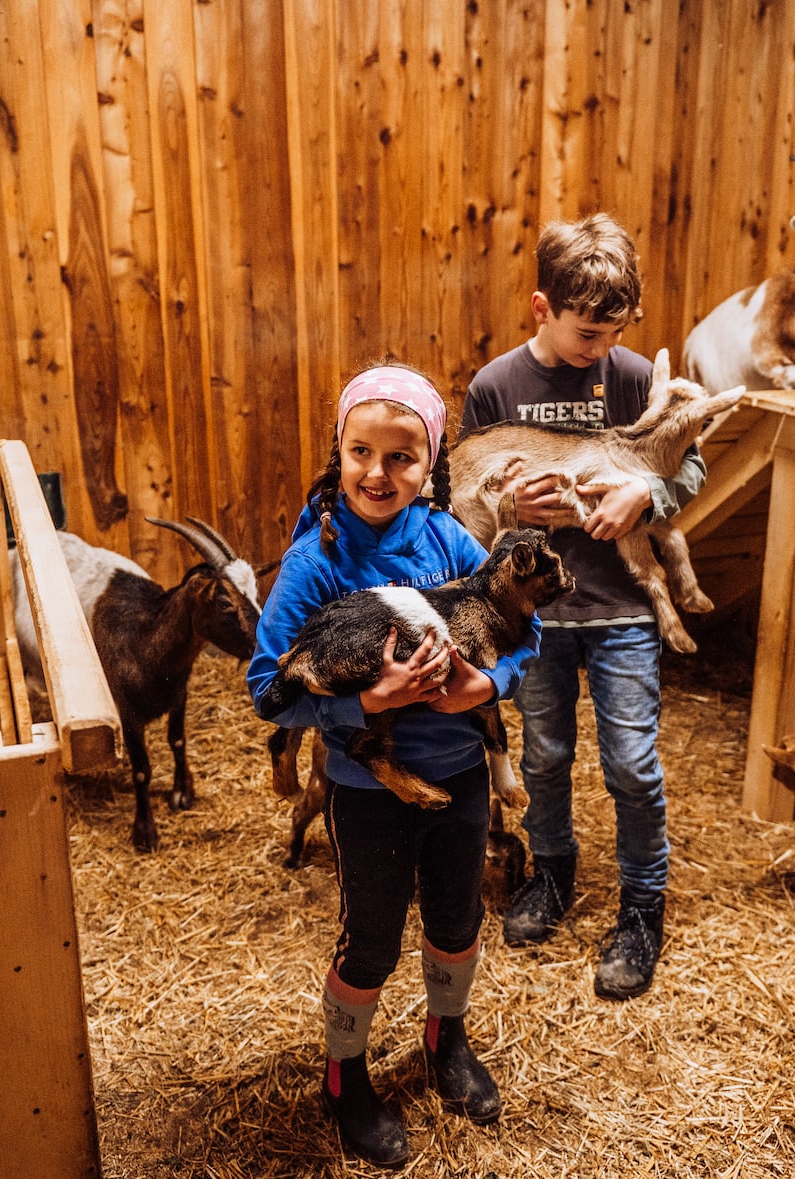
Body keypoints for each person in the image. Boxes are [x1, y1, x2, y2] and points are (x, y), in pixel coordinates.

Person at [249, 363, 542, 1168]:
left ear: (431, 462)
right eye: (361, 452)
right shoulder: (315, 561)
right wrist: (365, 704)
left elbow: (529, 629)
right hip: (366, 790)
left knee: (457, 921)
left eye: (402, 457)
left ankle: (446, 1038)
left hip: (461, 776)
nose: (378, 473)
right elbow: (267, 689)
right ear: (338, 452)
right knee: (372, 942)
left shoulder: (449, 540)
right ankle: (344, 1076)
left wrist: (490, 684)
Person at [461, 212, 705, 1001]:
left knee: (631, 763)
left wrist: (647, 493)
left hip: (621, 606)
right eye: (586, 333)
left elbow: (690, 468)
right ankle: (553, 872)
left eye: (615, 332)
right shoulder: (496, 387)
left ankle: (642, 906)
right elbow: (464, 497)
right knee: (544, 756)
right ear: (542, 308)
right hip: (535, 617)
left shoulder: (632, 378)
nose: (600, 348)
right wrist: (510, 505)